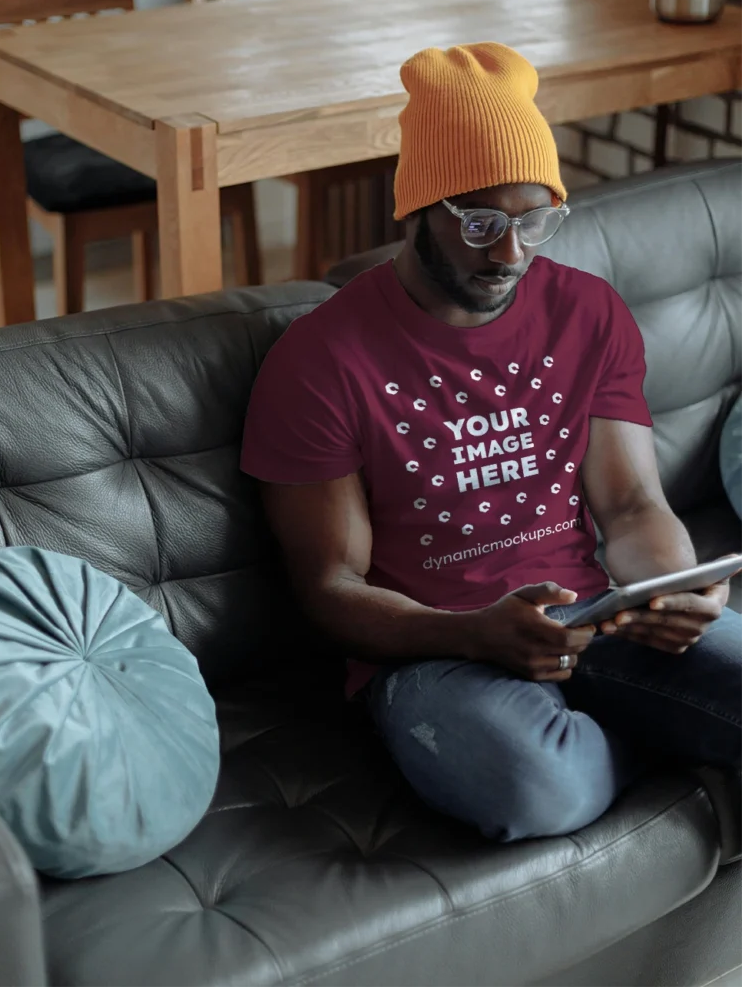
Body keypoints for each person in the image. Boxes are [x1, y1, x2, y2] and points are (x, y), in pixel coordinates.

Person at [241, 41, 742, 842]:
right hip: (433, 653)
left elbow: (631, 503)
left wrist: (674, 589)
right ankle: (679, 741)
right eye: (479, 223)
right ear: (415, 210)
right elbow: (331, 587)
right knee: (537, 787)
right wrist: (471, 630)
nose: (510, 253)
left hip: (594, 619)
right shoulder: (319, 361)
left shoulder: (588, 312)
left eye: (534, 220)